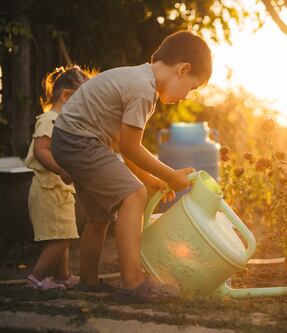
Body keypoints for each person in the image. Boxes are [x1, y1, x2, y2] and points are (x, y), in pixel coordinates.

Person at [51, 30, 212, 302]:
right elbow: (130, 148)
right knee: (133, 195)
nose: (186, 96)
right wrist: (171, 176)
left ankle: (88, 282)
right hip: (80, 141)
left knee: (100, 215)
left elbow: (125, 148)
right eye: (192, 88)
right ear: (183, 70)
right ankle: (132, 281)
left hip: (71, 139)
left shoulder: (137, 79)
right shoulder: (142, 90)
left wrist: (152, 178)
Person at [25, 66, 89, 289]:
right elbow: (41, 150)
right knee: (61, 236)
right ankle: (36, 278)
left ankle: (62, 276)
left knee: (64, 234)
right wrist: (61, 170)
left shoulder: (61, 122)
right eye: (82, 101)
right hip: (48, 189)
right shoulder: (50, 119)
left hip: (59, 191)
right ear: (66, 96)